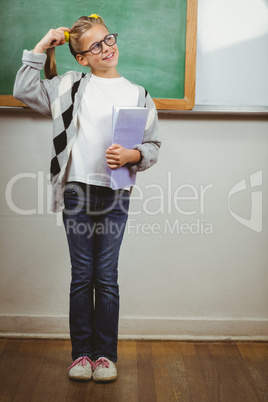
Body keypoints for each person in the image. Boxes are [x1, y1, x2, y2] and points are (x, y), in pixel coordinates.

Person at [13, 14, 160, 382]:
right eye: (95, 46)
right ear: (82, 58)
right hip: (77, 190)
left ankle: (105, 356)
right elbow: (24, 89)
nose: (106, 48)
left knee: (106, 276)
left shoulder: (138, 93)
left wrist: (133, 156)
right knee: (82, 276)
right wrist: (41, 46)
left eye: (108, 39)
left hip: (116, 192)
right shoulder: (69, 86)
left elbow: (153, 145)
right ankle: (81, 356)